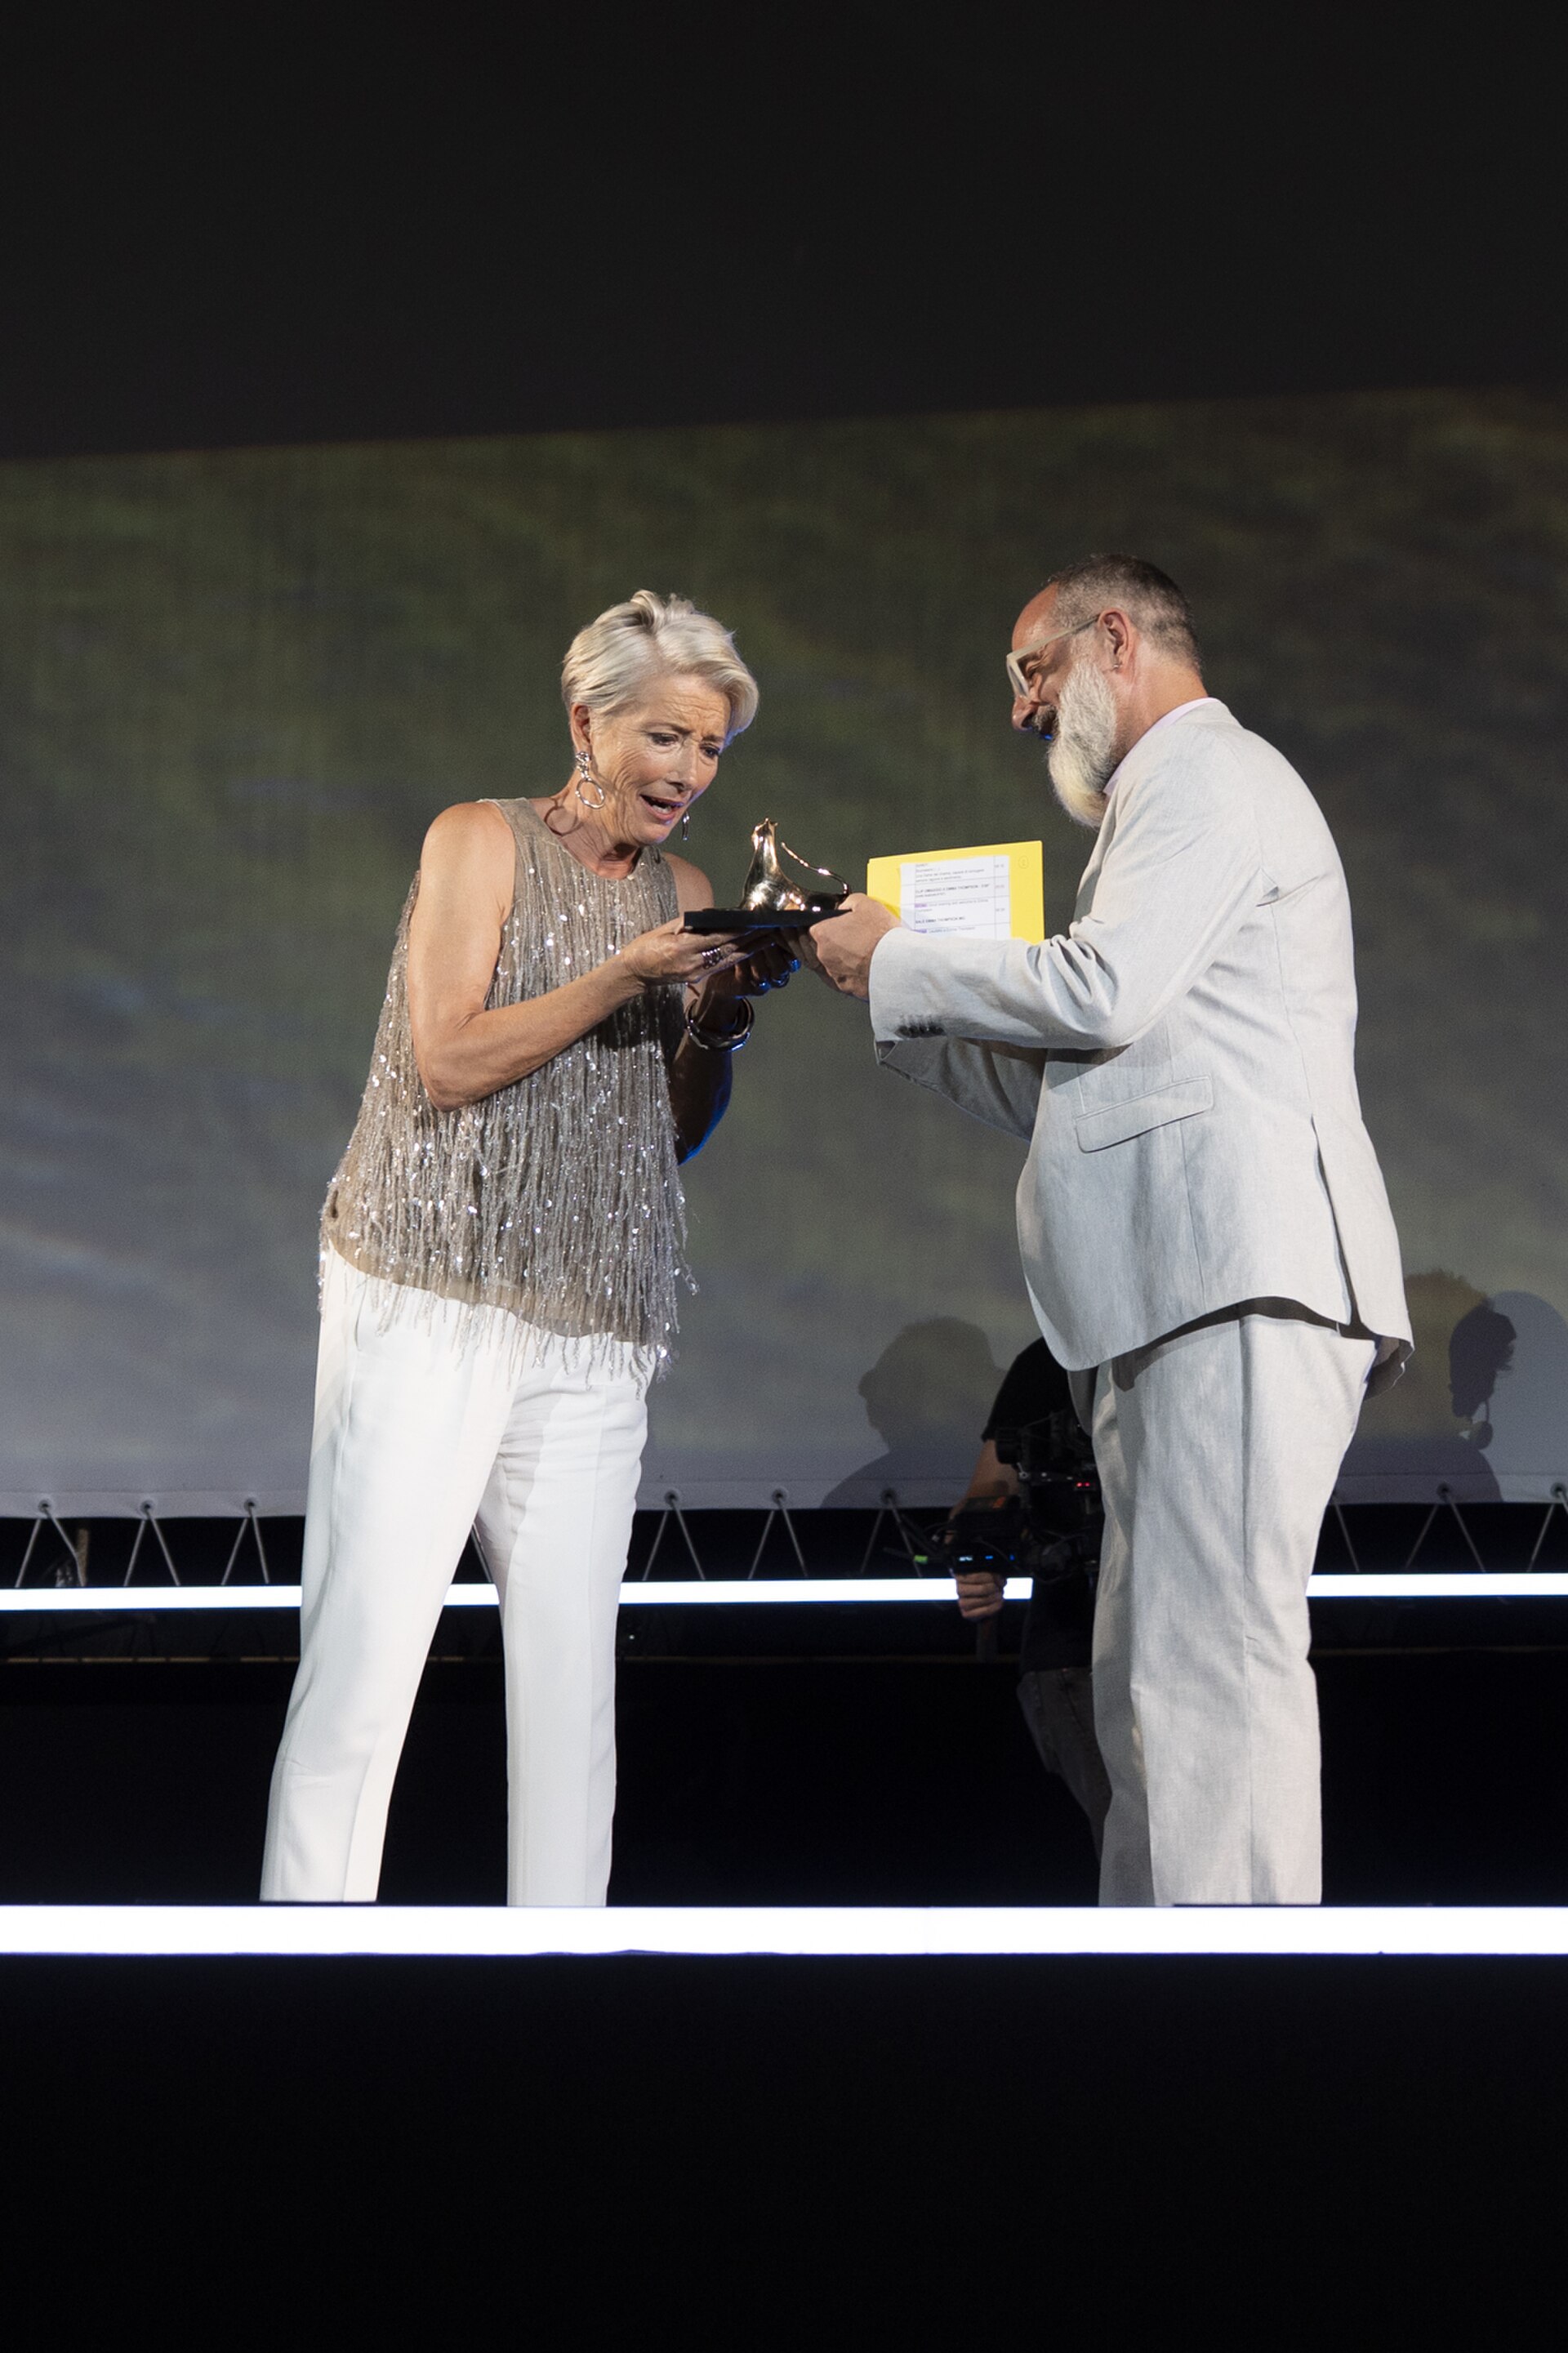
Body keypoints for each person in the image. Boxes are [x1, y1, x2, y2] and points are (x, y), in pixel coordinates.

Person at [810, 555, 1410, 1907]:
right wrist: (879, 990)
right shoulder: (1156, 810)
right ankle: (1167, 1978)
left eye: (1034, 670)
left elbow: (1101, 993)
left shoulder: (1206, 774)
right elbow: (1077, 1090)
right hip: (1176, 1288)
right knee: (1154, 1678)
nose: (1022, 708)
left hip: (1235, 1278)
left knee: (1210, 1666)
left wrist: (899, 952)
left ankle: (1237, 1995)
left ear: (1117, 639)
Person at [261, 590, 793, 1906]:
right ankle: (299, 1970)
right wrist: (626, 977)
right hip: (426, 1290)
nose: (688, 772)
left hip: (595, 1318)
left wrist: (714, 1018)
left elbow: (666, 1133)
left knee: (571, 1691)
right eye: (665, 736)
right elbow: (446, 1060)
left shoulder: (685, 894)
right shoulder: (479, 839)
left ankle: (561, 1976)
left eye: (711, 747)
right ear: (585, 720)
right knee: (364, 1662)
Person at [939, 1337, 1111, 1855]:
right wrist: (976, 1559)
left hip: (1191, 1644)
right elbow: (988, 1493)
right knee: (1136, 1838)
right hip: (1077, 1649)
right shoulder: (1052, 1359)